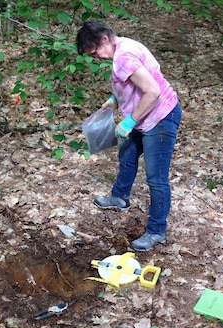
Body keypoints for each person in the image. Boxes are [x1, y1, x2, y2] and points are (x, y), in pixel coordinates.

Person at [76, 21, 182, 252]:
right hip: (142, 113)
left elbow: (152, 91)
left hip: (159, 118)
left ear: (104, 39)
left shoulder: (124, 56)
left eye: (95, 52)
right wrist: (115, 100)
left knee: (156, 178)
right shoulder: (124, 46)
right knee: (127, 155)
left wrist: (130, 121)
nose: (97, 57)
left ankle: (156, 230)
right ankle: (119, 197)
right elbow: (136, 81)